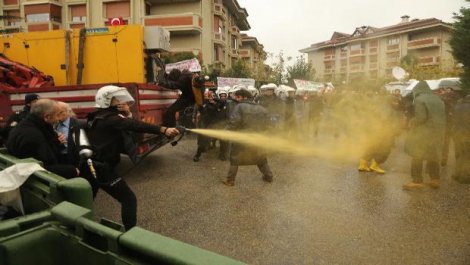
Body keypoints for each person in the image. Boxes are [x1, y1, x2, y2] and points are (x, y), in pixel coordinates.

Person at [86, 85, 179, 229]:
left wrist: (128, 113)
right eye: (116, 99)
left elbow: (132, 131)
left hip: (93, 165)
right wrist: (163, 129)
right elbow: (135, 125)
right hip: (101, 168)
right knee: (129, 199)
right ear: (106, 101)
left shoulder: (100, 116)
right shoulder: (109, 119)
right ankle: (130, 234)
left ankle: (77, 224)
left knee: (86, 199)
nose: (120, 102)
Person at [6, 98, 79, 179]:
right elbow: (41, 169)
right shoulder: (33, 136)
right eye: (57, 115)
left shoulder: (25, 126)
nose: (59, 119)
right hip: (36, 183)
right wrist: (71, 170)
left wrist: (56, 142)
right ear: (47, 117)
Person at [222, 89, 274, 186]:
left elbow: (233, 122)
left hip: (242, 139)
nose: (236, 99)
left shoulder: (239, 107)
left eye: (238, 97)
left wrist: (225, 132)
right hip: (258, 139)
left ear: (244, 97)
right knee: (261, 158)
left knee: (235, 158)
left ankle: (230, 180)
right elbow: (268, 125)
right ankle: (269, 177)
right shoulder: (261, 108)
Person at [403, 81, 446, 190]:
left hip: (424, 133)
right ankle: (434, 179)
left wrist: (411, 122)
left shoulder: (419, 99)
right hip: (438, 132)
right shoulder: (438, 99)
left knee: (417, 155)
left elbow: (421, 118)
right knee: (433, 155)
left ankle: (417, 181)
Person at [452, 94, 470, 184]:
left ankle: (457, 174)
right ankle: (465, 177)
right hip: (467, 134)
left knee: (460, 154)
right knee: (467, 156)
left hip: (457, 133)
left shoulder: (458, 106)